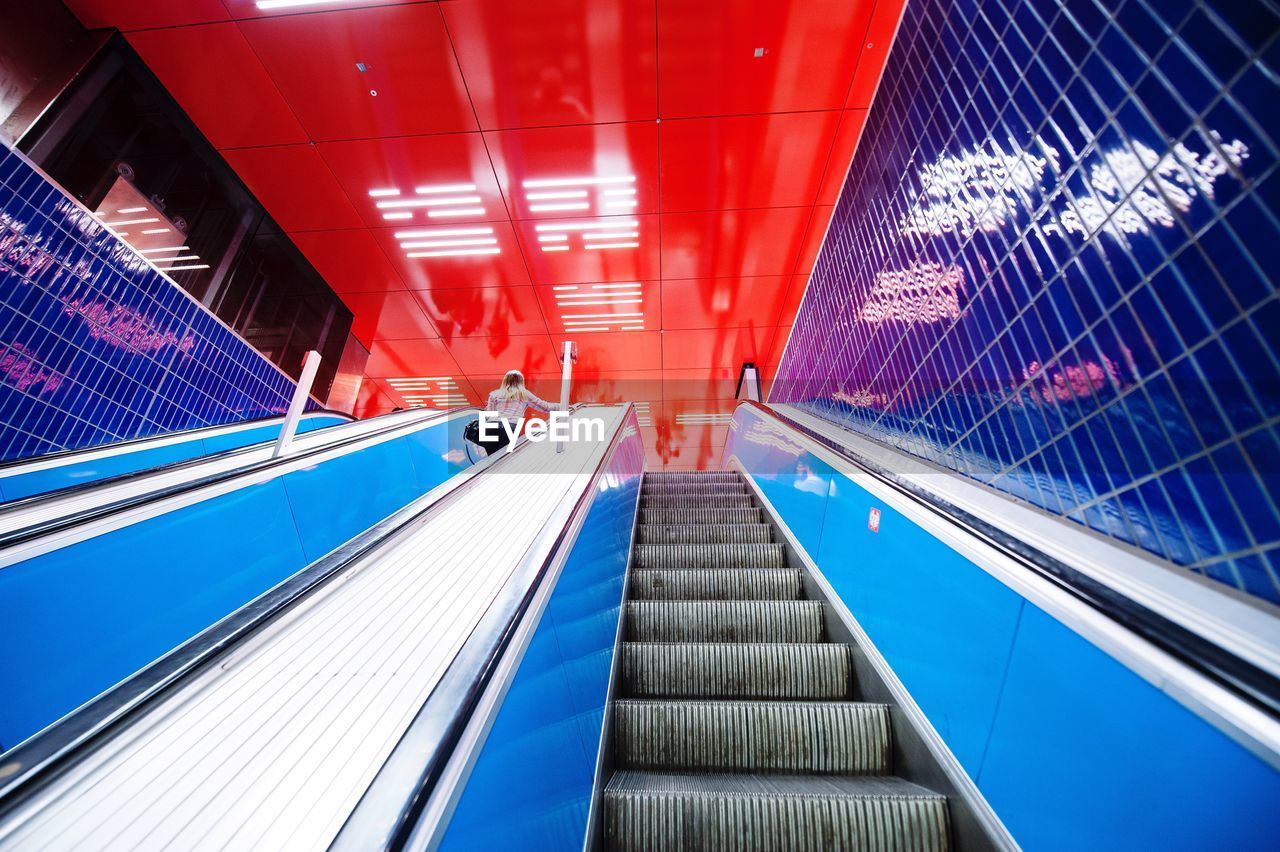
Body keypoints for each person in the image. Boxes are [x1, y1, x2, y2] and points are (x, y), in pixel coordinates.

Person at [475, 370, 561, 456]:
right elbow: (545, 407)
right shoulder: (524, 394)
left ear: (505, 380)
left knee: (493, 460)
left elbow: (488, 415)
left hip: (490, 427)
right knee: (506, 458)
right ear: (521, 382)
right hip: (509, 428)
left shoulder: (494, 394)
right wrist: (563, 406)